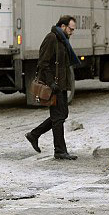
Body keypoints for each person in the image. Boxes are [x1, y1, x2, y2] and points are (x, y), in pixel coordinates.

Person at [25, 15, 80, 160]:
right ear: (63, 26)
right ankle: (60, 150)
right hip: (54, 86)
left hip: (61, 85)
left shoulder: (62, 40)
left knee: (61, 115)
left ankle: (34, 134)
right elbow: (43, 63)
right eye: (71, 29)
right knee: (58, 118)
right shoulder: (52, 38)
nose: (72, 32)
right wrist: (51, 82)